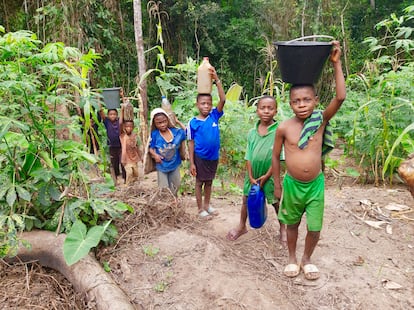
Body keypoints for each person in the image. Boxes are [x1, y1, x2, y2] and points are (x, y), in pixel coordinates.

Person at [272, 41, 346, 280]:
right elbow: (275, 156)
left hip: (315, 185)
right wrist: (277, 183)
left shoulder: (320, 121)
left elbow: (341, 97)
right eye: (296, 101)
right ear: (289, 103)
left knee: (314, 227)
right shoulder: (284, 127)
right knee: (292, 224)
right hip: (292, 185)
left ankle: (307, 258)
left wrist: (336, 64)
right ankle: (292, 258)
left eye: (306, 100)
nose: (301, 105)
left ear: (315, 100)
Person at [226, 96, 286, 242]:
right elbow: (248, 156)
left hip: (271, 175)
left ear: (275, 111)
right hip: (252, 176)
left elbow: (278, 158)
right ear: (257, 110)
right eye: (262, 108)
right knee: (246, 199)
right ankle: (242, 226)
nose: (266, 111)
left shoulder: (279, 131)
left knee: (275, 201)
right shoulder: (252, 133)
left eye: (270, 108)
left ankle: (283, 228)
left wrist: (267, 176)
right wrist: (251, 176)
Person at [187, 66, 226, 217]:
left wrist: (216, 80)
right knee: (199, 182)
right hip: (200, 157)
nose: (206, 106)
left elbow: (223, 99)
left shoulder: (214, 116)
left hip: (213, 157)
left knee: (209, 182)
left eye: (208, 104)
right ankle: (200, 209)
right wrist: (191, 162)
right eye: (203, 103)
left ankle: (207, 205)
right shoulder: (193, 122)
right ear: (197, 104)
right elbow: (190, 143)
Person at [148, 108, 187, 196]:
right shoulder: (155, 134)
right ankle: (166, 206)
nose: (162, 124)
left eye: (164, 121)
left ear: (168, 120)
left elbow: (187, 132)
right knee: (164, 189)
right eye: (159, 123)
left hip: (174, 164)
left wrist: (177, 122)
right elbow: (151, 148)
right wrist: (155, 155)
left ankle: (174, 205)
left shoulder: (176, 132)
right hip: (162, 166)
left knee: (175, 187)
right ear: (154, 123)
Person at [99, 106, 126, 185]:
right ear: (108, 115)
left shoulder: (119, 122)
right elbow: (101, 113)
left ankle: (125, 177)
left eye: (114, 114)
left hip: (120, 145)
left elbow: (122, 117)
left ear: (117, 115)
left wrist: (122, 109)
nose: (112, 116)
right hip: (112, 146)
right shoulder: (107, 122)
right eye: (111, 114)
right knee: (114, 162)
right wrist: (99, 100)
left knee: (122, 161)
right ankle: (116, 177)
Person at [120, 104, 142, 185]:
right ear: (124, 127)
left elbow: (138, 147)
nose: (128, 128)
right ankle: (127, 187)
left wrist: (141, 157)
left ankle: (134, 187)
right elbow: (120, 123)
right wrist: (122, 110)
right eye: (126, 127)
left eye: (130, 127)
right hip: (126, 159)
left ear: (133, 127)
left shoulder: (135, 136)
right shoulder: (123, 136)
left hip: (134, 158)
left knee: (136, 173)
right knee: (129, 173)